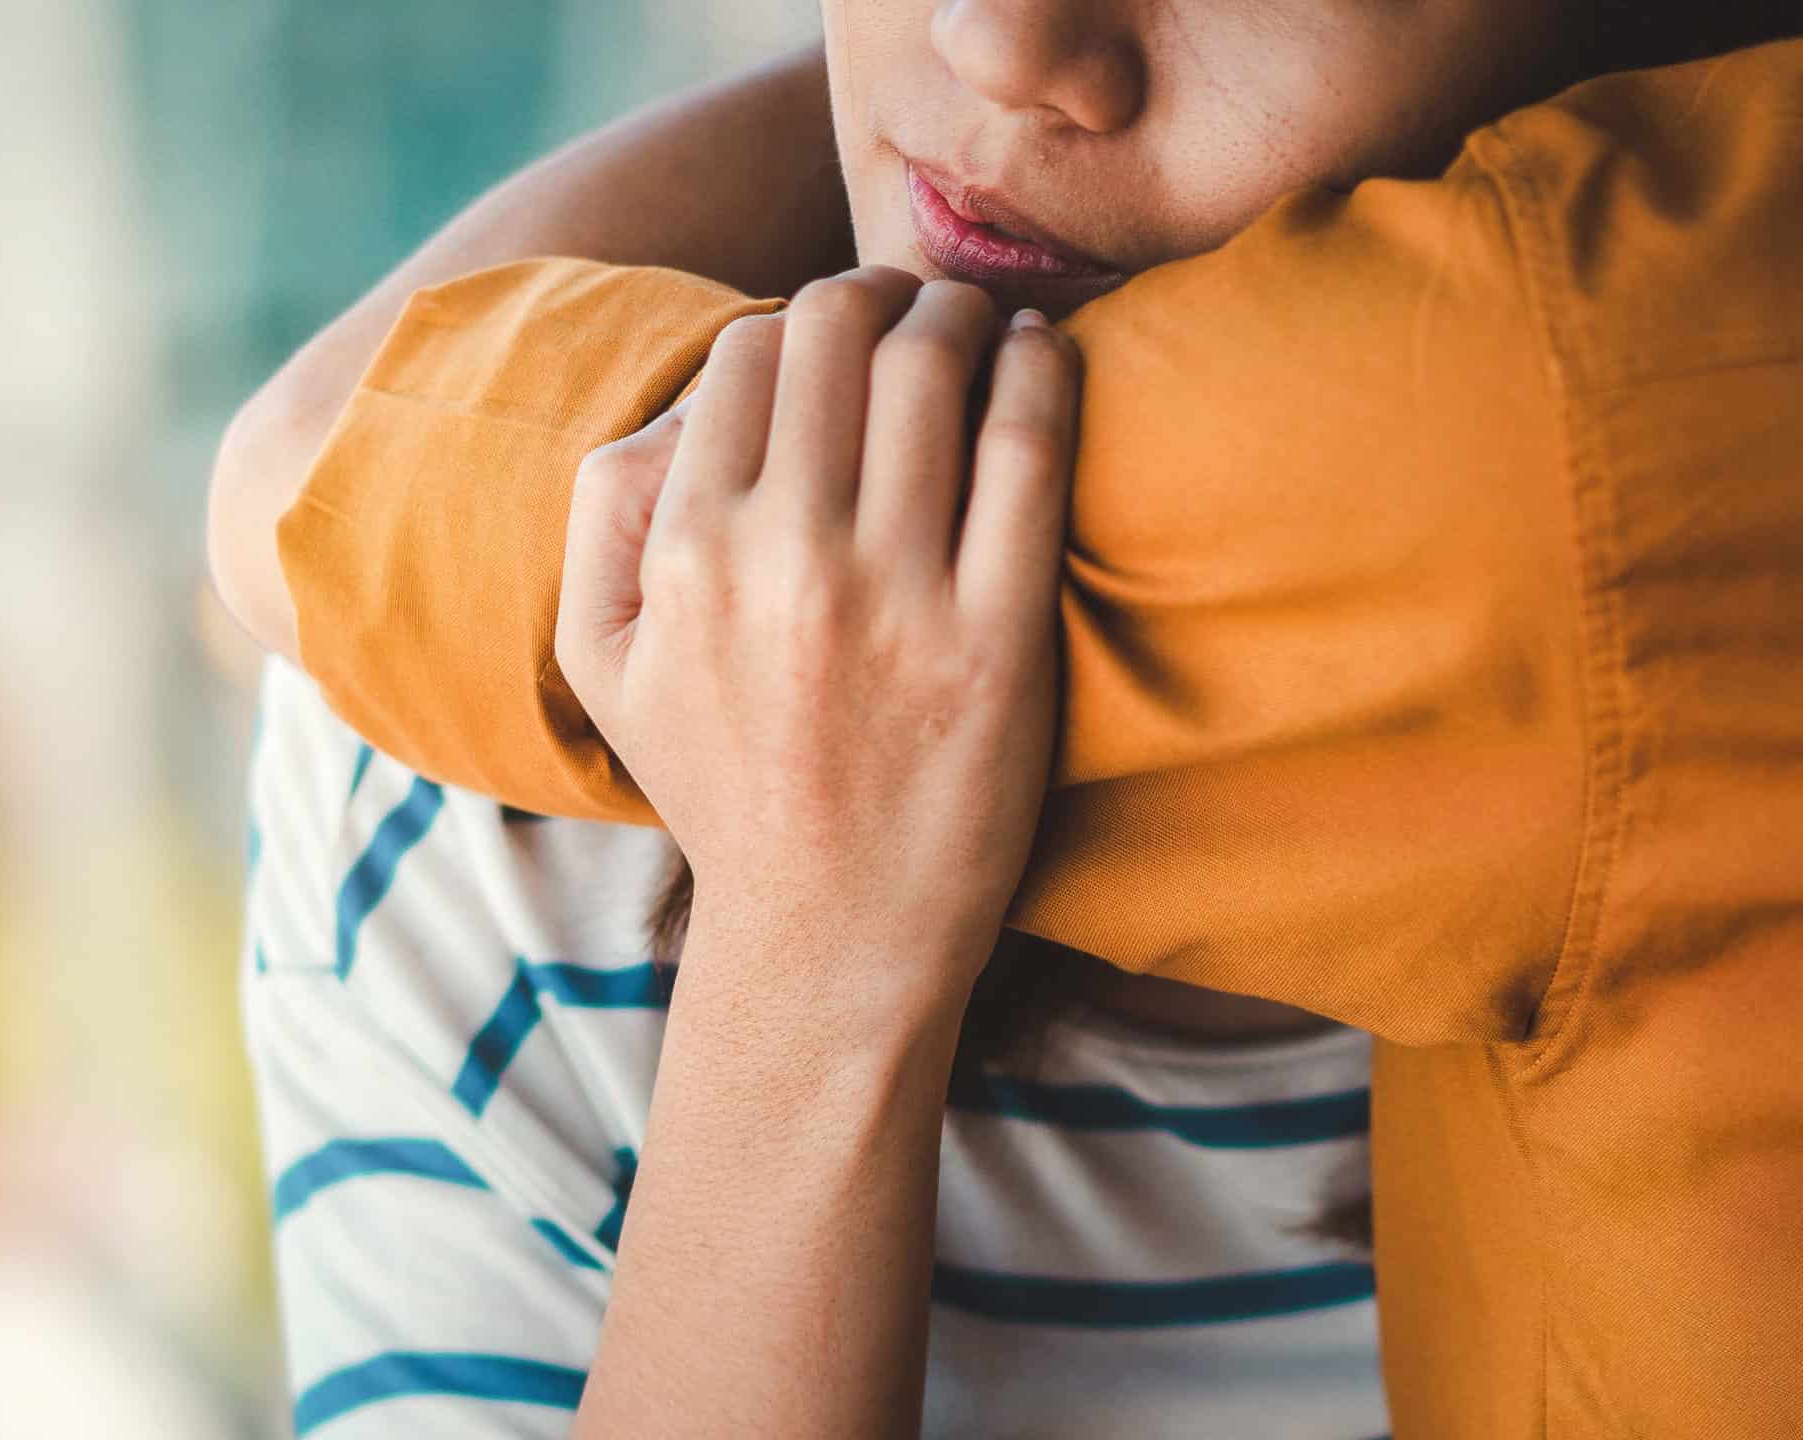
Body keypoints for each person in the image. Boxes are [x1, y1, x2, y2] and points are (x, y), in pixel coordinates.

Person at [217, 6, 1803, 1436]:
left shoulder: (1683, 552)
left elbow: (304, 476)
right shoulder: (473, 842)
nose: (1001, 39)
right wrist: (806, 997)